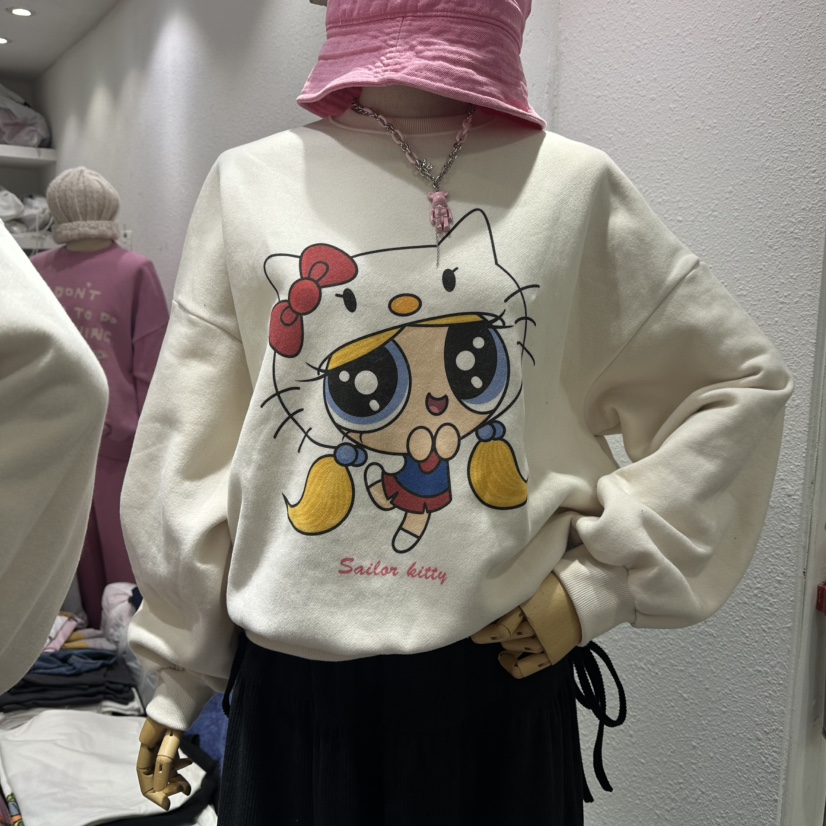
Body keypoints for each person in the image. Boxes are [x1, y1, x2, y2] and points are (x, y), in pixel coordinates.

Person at [125, 0, 793, 822]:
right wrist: (180, 668)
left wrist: (598, 586)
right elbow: (191, 439)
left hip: (497, 684)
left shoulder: (574, 186)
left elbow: (734, 386)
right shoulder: (249, 183)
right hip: (294, 698)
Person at [0, 221, 108, 695]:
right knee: (83, 575)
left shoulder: (135, 270)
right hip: (84, 438)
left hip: (112, 442)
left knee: (104, 567)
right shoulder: (39, 265)